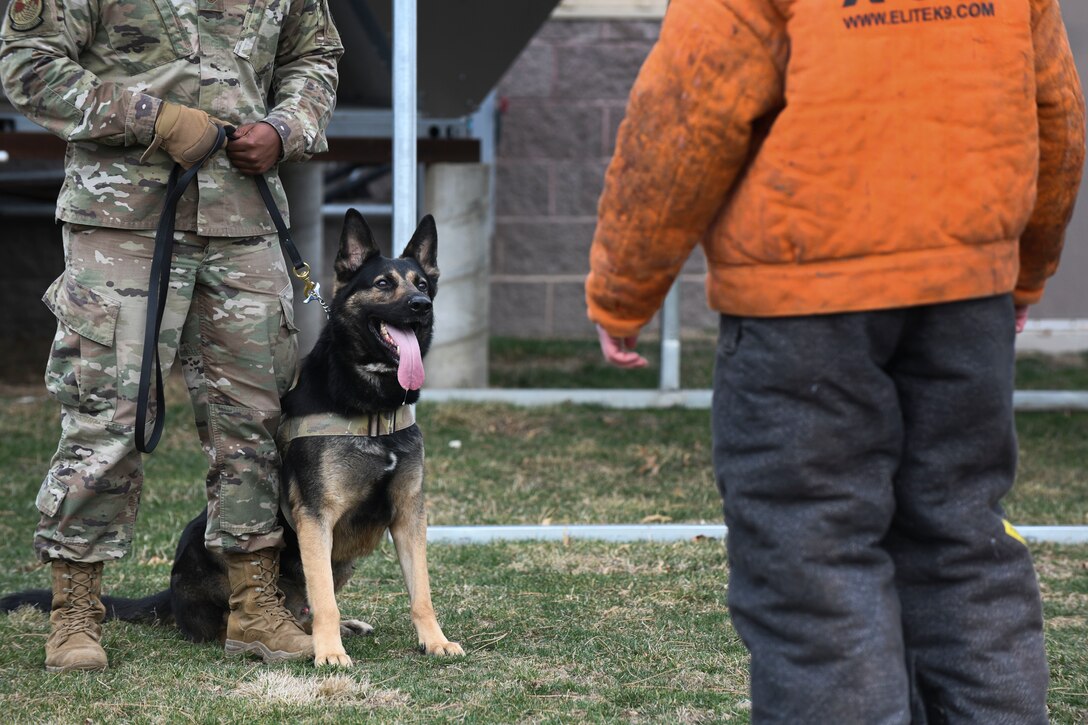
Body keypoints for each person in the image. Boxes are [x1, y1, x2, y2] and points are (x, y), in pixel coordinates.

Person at [586, 0, 1085, 721]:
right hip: (966, 290)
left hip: (801, 303)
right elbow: (1057, 113)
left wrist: (623, 288)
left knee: (811, 554)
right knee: (963, 542)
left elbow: (686, 113)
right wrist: (1026, 268)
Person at [0, 0, 342, 671]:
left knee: (259, 416)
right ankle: (74, 610)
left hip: (243, 215)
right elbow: (29, 66)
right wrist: (152, 118)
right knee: (109, 411)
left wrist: (285, 128)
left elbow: (313, 56)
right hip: (123, 214)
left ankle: (255, 605)